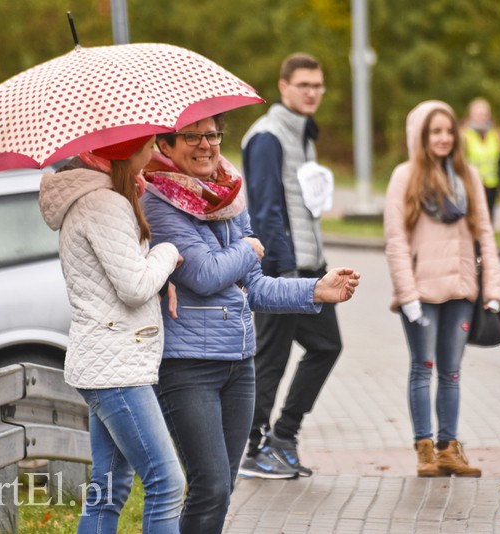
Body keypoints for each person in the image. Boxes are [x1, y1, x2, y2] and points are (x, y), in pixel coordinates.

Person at [141, 114, 360, 533]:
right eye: (192, 136)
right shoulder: (158, 203)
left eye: (213, 135)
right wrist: (248, 248)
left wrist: (316, 290)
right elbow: (204, 276)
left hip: (239, 363)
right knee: (210, 483)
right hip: (187, 366)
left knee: (224, 487)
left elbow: (253, 287)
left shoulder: (227, 197)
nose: (206, 145)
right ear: (165, 146)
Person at [38, 135, 185, 533]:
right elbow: (134, 287)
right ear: (129, 150)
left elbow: (121, 274)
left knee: (110, 487)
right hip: (116, 366)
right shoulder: (104, 203)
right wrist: (167, 253)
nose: (153, 153)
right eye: (149, 145)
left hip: (109, 359)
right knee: (167, 483)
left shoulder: (103, 196)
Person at [383, 100, 500, 478]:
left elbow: (485, 233)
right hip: (420, 294)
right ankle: (424, 450)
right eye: (435, 131)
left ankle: (448, 449)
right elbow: (396, 239)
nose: (443, 138)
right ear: (421, 135)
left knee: (451, 372)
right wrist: (408, 295)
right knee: (423, 368)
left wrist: (493, 291)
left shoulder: (467, 176)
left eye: (449, 131)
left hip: (462, 290)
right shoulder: (405, 177)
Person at [239, 52, 339, 479]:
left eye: (318, 85)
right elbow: (264, 210)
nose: (312, 92)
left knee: (326, 345)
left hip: (311, 268)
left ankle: (284, 436)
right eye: (304, 85)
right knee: (271, 357)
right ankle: (255, 448)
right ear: (283, 87)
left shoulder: (302, 133)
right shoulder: (268, 136)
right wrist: (279, 273)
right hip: (283, 272)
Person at [462, 97, 500, 220]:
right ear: (471, 115)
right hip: (471, 184)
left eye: (485, 114)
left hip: (491, 184)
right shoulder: (464, 134)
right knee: (472, 217)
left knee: (488, 217)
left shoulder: (496, 133)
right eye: (478, 114)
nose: (482, 117)